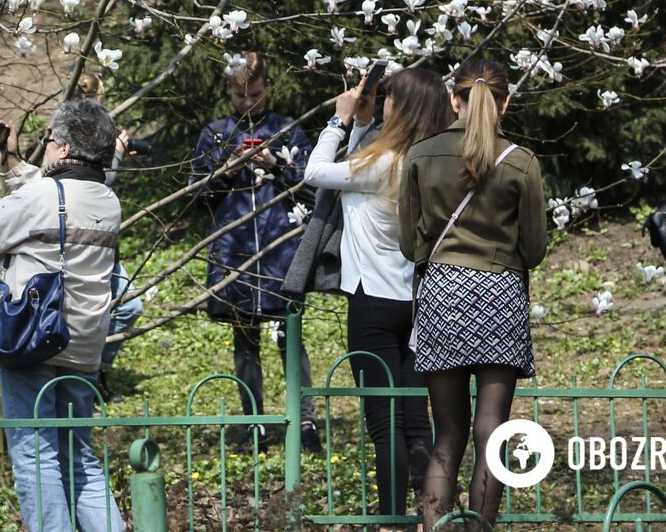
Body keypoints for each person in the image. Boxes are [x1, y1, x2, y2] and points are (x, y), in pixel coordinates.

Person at [0, 97, 127, 532]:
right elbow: (56, 196)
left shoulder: (43, 194)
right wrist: (15, 161)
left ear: (66, 149)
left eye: (50, 141)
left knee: (35, 456)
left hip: (33, 338)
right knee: (79, 458)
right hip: (84, 345)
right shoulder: (107, 200)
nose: (47, 148)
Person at [398, 58, 547, 532]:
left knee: (448, 436)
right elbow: (536, 249)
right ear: (505, 101)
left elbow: (409, 244)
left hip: (442, 292)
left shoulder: (420, 155)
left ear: (453, 98)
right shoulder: (521, 161)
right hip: (500, 294)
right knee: (491, 432)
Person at [301, 65, 451, 519]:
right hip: (418, 302)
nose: (382, 102)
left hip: (371, 305)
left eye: (389, 99)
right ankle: (433, 519)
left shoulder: (381, 164)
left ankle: (389, 522)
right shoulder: (430, 162)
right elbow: (368, 155)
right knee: (415, 423)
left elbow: (316, 172)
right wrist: (365, 126)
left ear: (401, 108)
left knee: (384, 426)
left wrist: (340, 119)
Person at [188, 51, 315, 447]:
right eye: (240, 95)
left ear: (268, 88)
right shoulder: (216, 134)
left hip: (280, 250)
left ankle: (306, 424)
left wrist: (276, 163)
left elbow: (312, 187)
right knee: (245, 343)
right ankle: (254, 423)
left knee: (289, 340)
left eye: (255, 94)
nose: (248, 103)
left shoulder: (288, 131)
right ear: (230, 91)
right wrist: (227, 168)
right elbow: (198, 195)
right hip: (235, 253)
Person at [73, 69, 145, 383]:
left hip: (103, 239)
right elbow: (101, 180)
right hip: (83, 240)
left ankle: (96, 369)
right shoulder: (71, 136)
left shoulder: (96, 131)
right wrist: (115, 152)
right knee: (89, 313)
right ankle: (87, 375)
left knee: (129, 306)